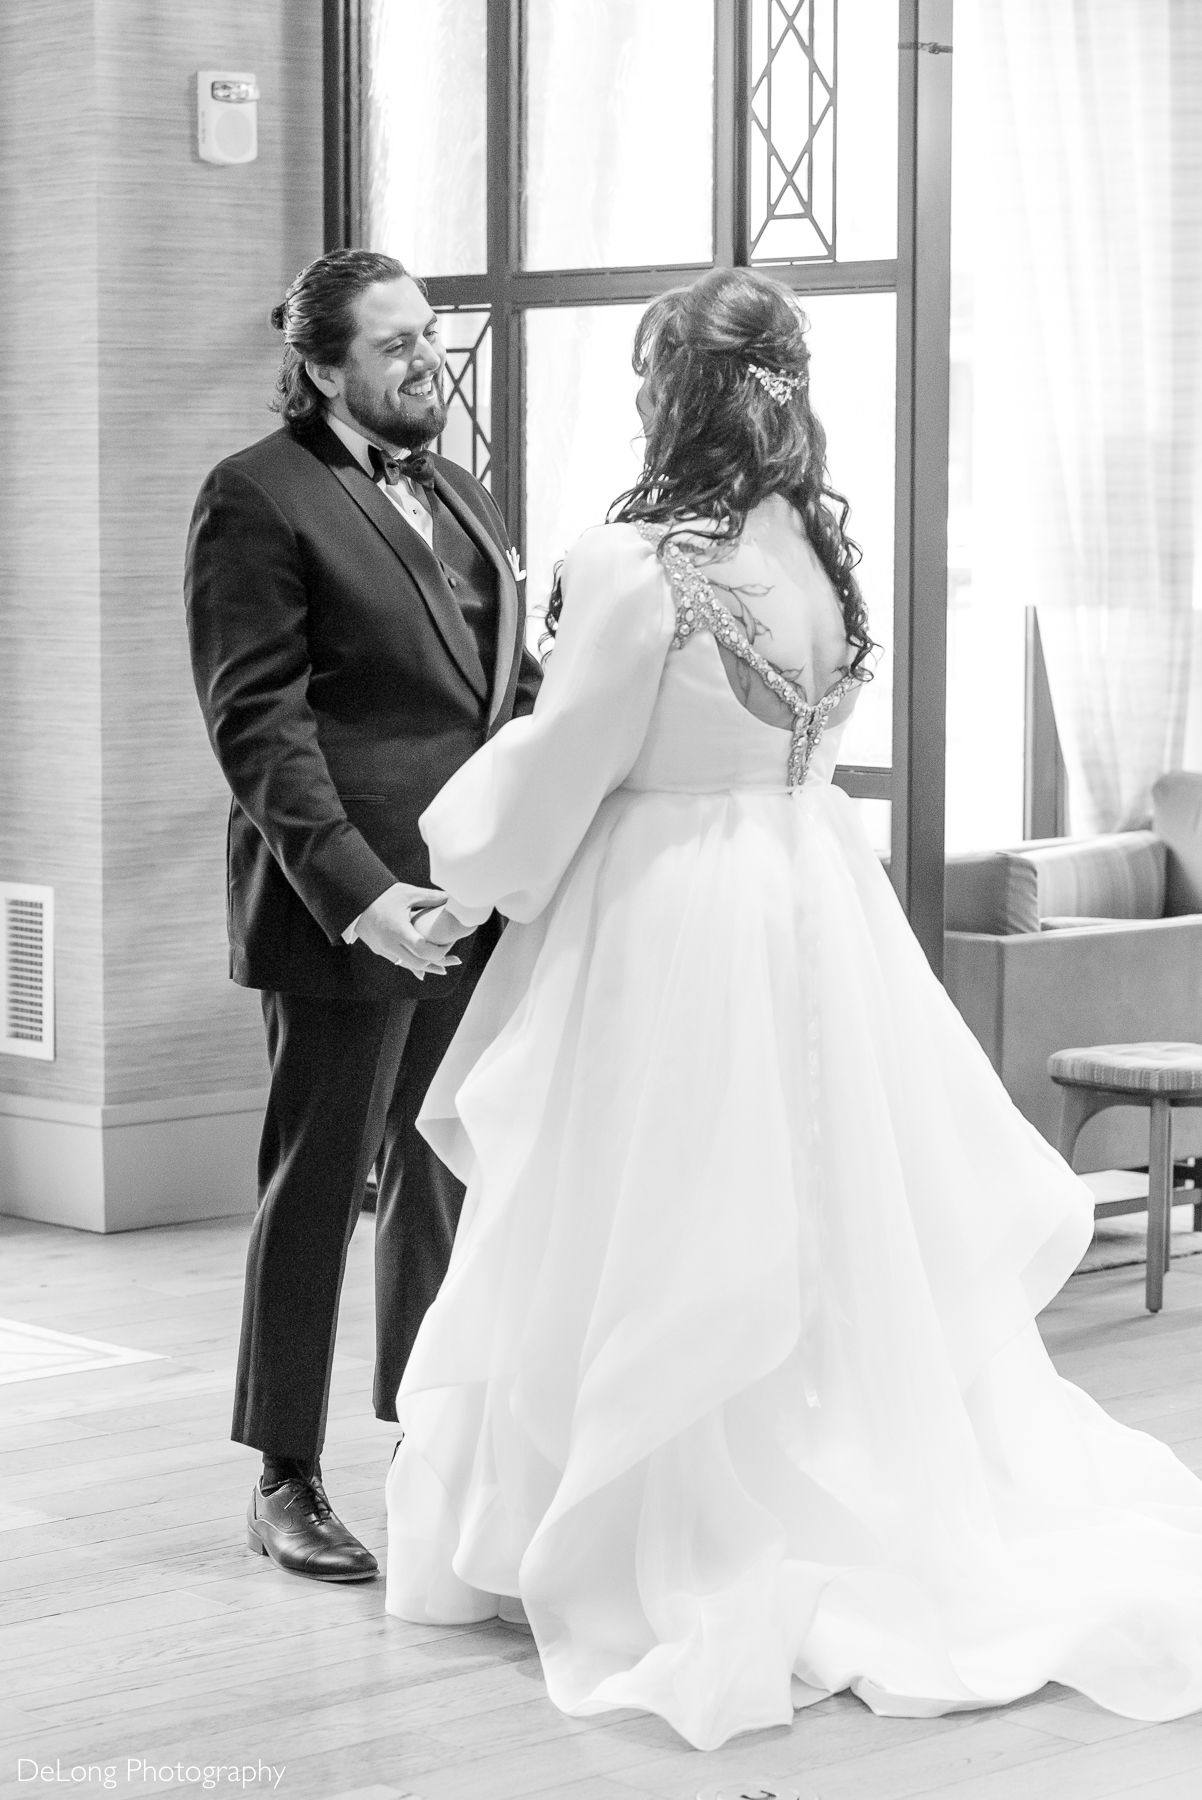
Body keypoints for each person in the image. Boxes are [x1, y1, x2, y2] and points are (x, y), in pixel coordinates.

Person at [382, 266, 1202, 1748]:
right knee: (812, 1217)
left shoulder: (635, 563)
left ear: (670, 392)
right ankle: (823, 1465)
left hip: (673, 912)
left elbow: (566, 772)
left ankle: (672, 1526)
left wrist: (465, 858)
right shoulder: (811, 557)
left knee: (659, 1217)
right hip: (809, 896)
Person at [184, 249, 541, 1582]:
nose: (426, 360)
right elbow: (256, 726)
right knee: (318, 1181)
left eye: (429, 336)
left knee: (441, 1174)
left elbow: (501, 692)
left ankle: (425, 1441)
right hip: (343, 905)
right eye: (394, 346)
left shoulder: (465, 491)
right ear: (321, 365)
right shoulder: (254, 498)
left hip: (474, 900)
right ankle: (284, 1473)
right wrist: (359, 894)